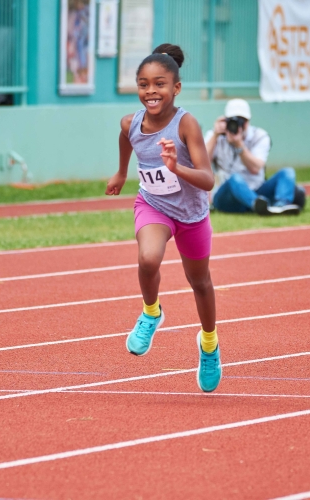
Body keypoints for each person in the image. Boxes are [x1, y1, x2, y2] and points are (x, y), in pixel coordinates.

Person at [105, 43, 221, 393]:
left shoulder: (186, 124)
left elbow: (208, 179)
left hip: (191, 215)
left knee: (199, 282)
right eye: (143, 84)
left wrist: (175, 167)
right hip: (153, 205)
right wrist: (122, 172)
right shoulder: (131, 122)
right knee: (148, 257)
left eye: (159, 84)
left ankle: (210, 345)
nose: (150, 91)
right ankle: (151, 312)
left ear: (176, 88)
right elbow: (126, 137)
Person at [205, 98, 306, 215]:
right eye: (233, 121)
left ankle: (280, 206)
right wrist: (215, 135)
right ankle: (256, 205)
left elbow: (255, 168)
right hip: (227, 195)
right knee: (235, 178)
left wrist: (239, 145)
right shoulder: (215, 136)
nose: (238, 125)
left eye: (242, 121)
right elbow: (202, 162)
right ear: (225, 121)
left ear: (248, 122)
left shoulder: (259, 136)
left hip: (257, 189)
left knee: (288, 172)